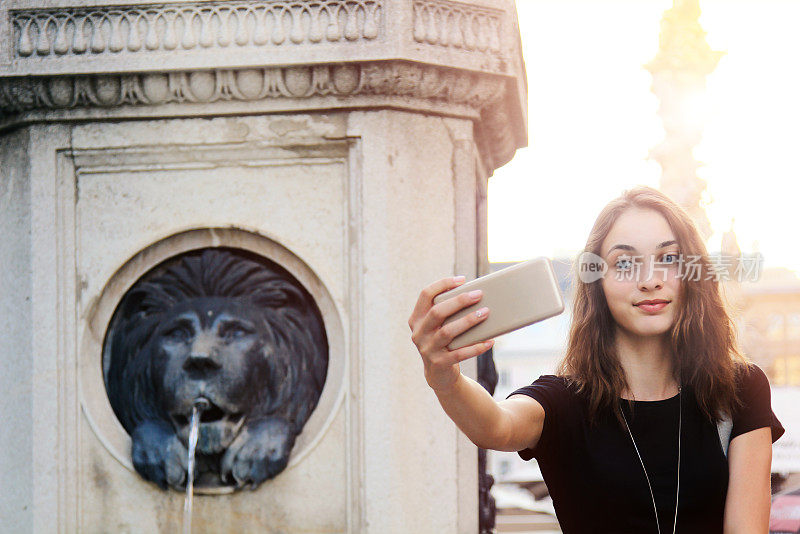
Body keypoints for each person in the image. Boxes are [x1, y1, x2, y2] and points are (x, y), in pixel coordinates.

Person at [408, 186, 784, 533]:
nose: (650, 279)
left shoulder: (738, 389)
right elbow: (497, 426)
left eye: (668, 258)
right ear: (597, 283)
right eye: (624, 263)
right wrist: (446, 378)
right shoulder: (564, 401)